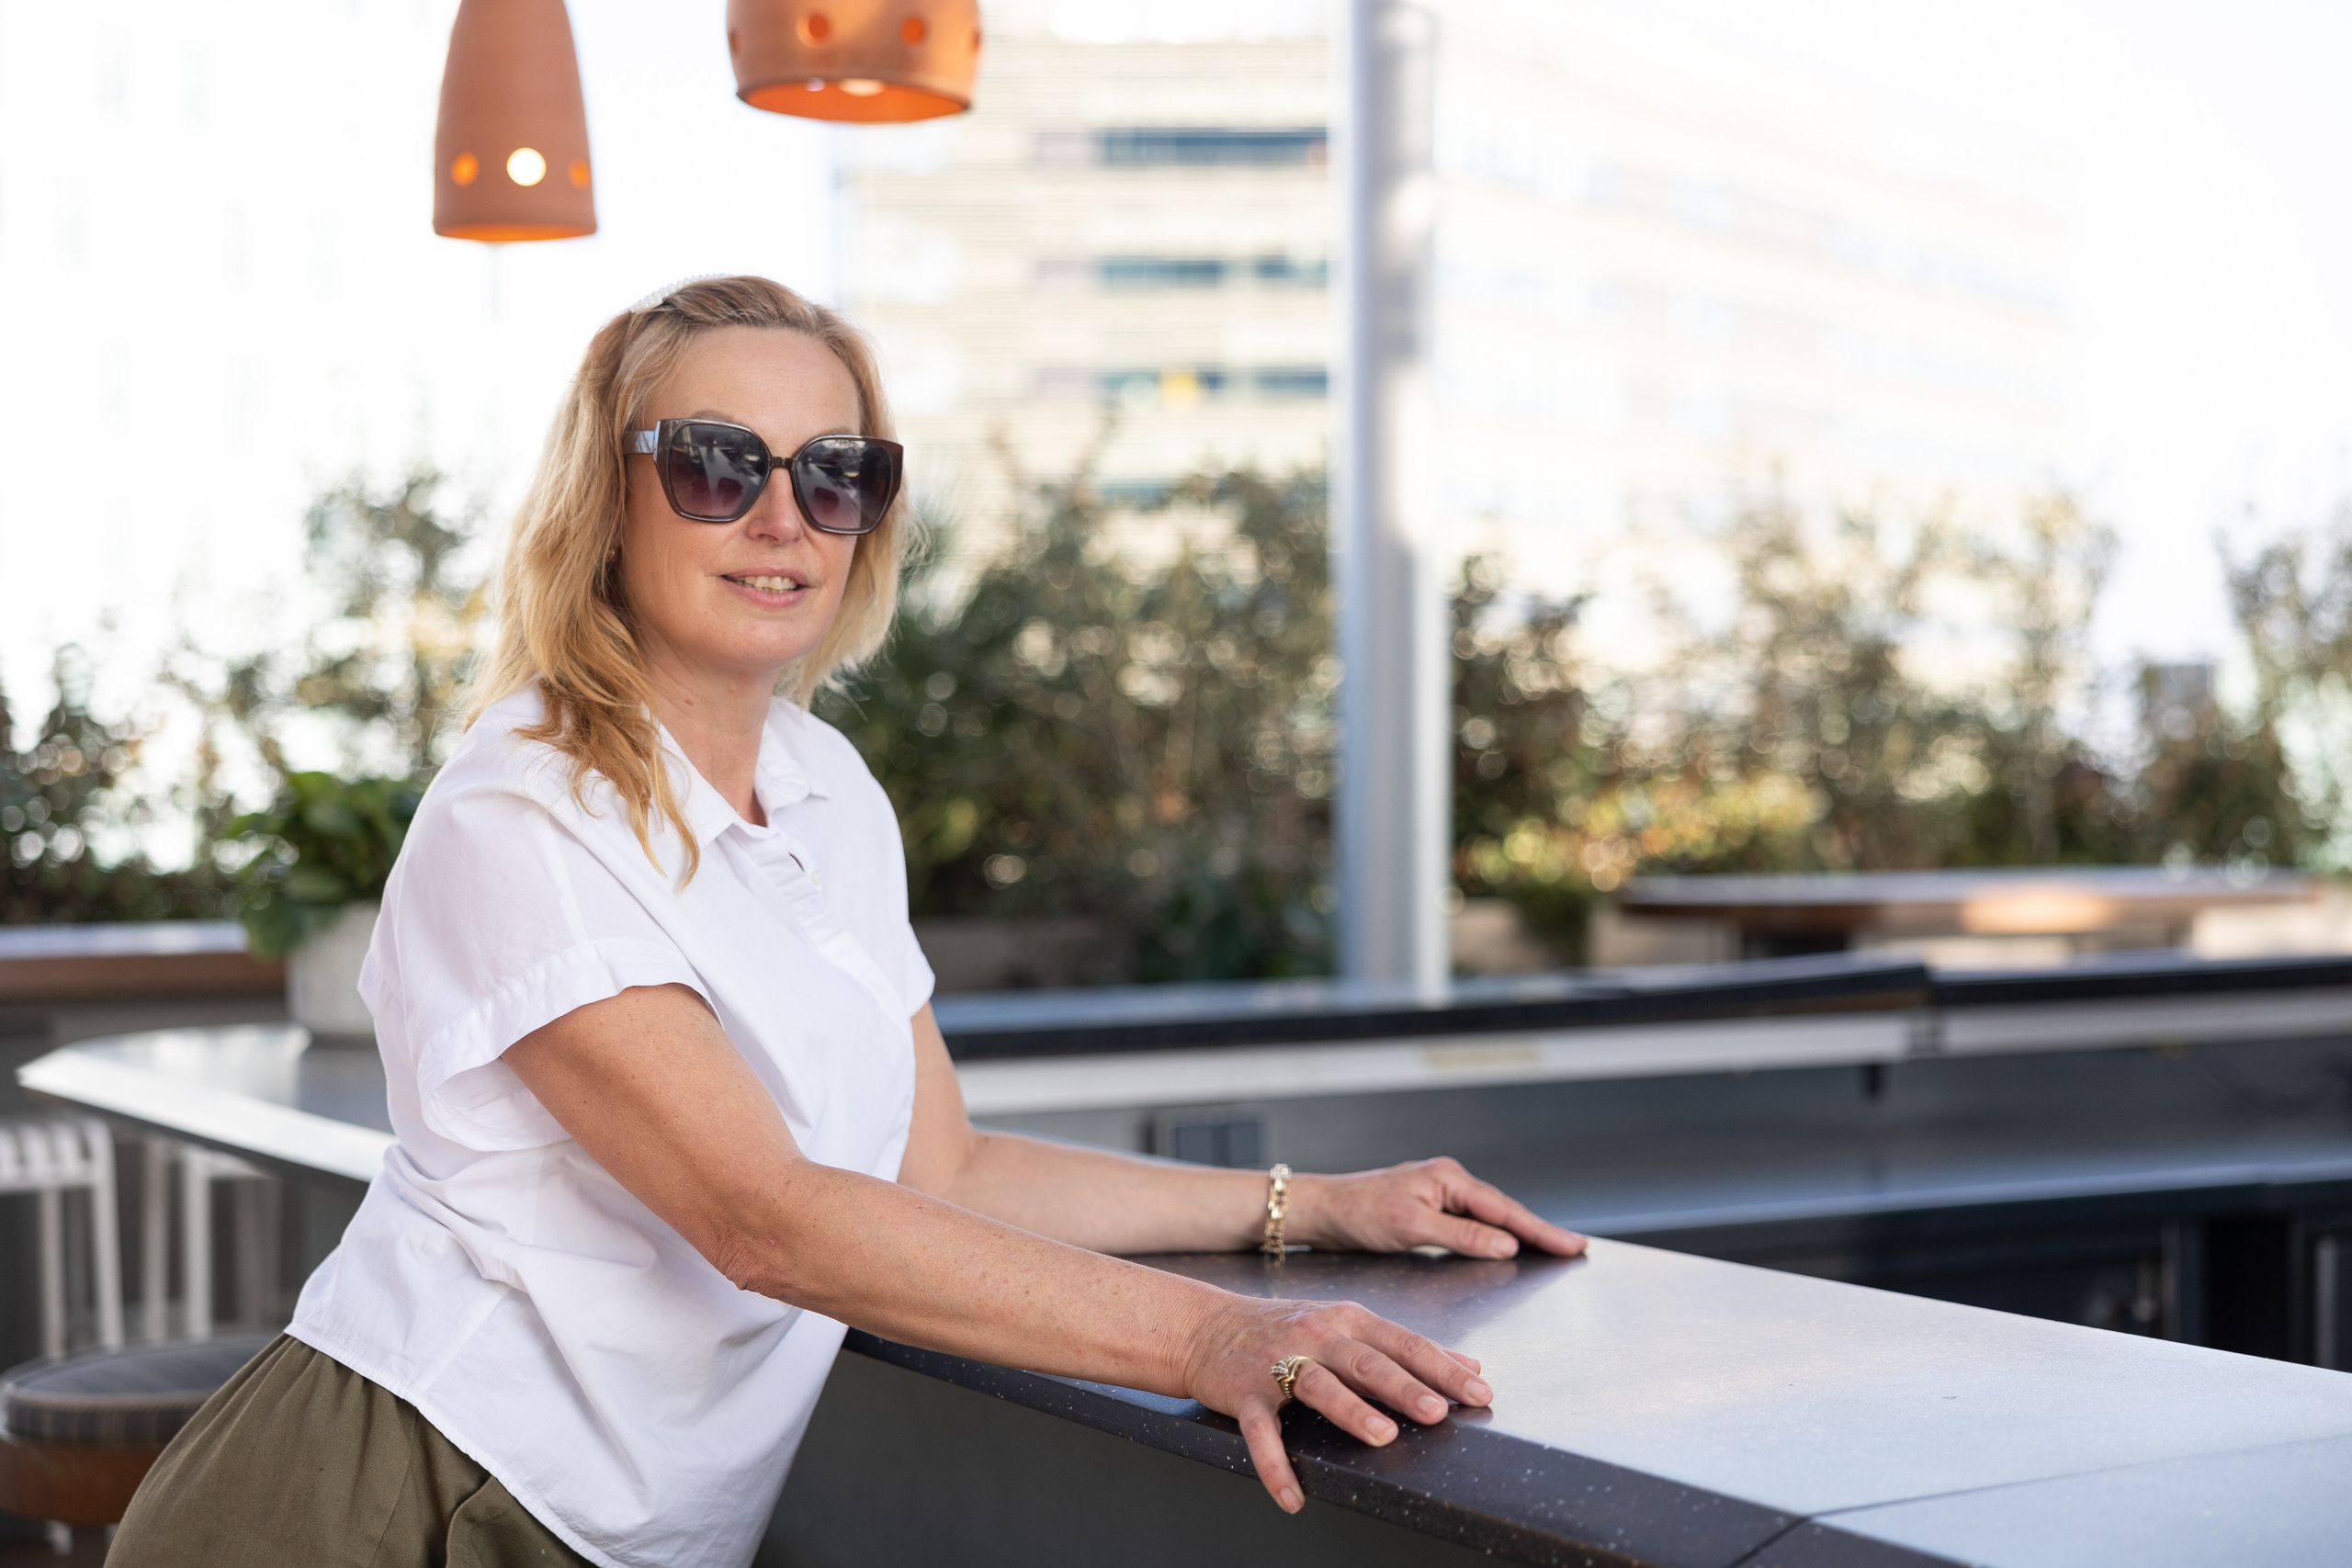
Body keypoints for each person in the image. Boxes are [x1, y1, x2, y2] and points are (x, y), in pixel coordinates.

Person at [111, 275, 1585, 1568]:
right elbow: (763, 1219)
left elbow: (939, 1167)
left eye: (835, 474)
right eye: (714, 465)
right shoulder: (527, 808)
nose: (783, 519)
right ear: (605, 501)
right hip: (393, 1493)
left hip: (618, 1524)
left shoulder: (826, 791)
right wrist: (1211, 1337)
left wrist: (1306, 1206)